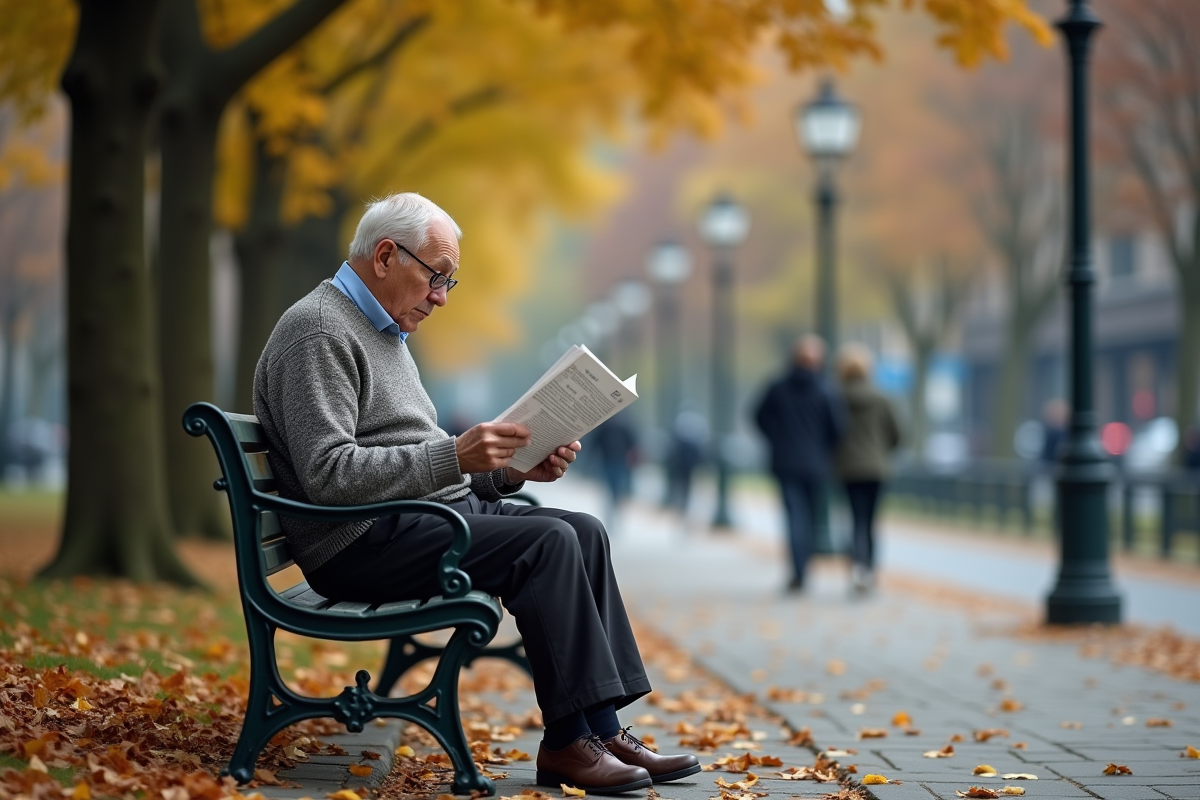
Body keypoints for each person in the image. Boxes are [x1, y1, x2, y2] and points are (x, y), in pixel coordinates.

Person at [253, 193, 699, 794]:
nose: (441, 297)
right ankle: (568, 743)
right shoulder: (318, 331)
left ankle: (600, 729)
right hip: (357, 541)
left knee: (584, 530)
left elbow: (422, 459)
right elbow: (330, 475)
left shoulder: (382, 330)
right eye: (436, 277)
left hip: (411, 520)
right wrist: (455, 455)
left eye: (449, 282)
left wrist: (510, 472)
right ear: (385, 257)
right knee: (547, 542)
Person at [753, 335, 845, 593]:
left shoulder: (777, 387)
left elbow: (759, 416)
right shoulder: (826, 390)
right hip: (816, 463)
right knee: (812, 517)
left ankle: (798, 570)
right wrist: (823, 448)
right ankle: (804, 566)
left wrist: (777, 438)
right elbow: (838, 428)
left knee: (794, 516)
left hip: (785, 462)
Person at [833, 344, 901, 594]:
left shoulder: (836, 398)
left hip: (848, 468)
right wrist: (882, 450)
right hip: (876, 468)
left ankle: (857, 566)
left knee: (854, 518)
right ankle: (869, 568)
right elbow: (897, 434)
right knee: (870, 521)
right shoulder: (882, 398)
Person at [591, 415, 639, 524]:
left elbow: (632, 443)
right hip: (607, 461)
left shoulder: (623, 426)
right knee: (611, 488)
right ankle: (612, 510)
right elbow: (596, 443)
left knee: (616, 488)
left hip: (619, 462)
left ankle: (615, 509)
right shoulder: (605, 427)